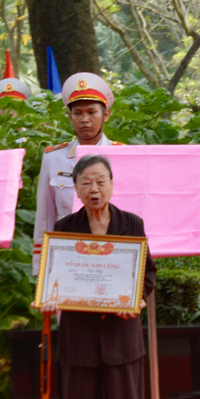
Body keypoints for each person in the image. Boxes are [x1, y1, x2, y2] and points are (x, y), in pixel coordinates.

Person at [37, 154, 156, 399]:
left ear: (112, 185)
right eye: (86, 182)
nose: (94, 189)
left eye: (101, 181)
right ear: (75, 188)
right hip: (79, 334)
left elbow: (147, 272)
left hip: (122, 332)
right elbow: (53, 275)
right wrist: (50, 296)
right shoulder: (64, 229)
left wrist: (138, 298)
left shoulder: (132, 224)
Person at [33, 73, 121, 275]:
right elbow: (45, 217)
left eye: (92, 112)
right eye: (78, 113)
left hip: (112, 255)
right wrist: (41, 269)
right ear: (69, 116)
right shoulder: (53, 158)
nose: (85, 120)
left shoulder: (122, 155)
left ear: (105, 114)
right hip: (67, 255)